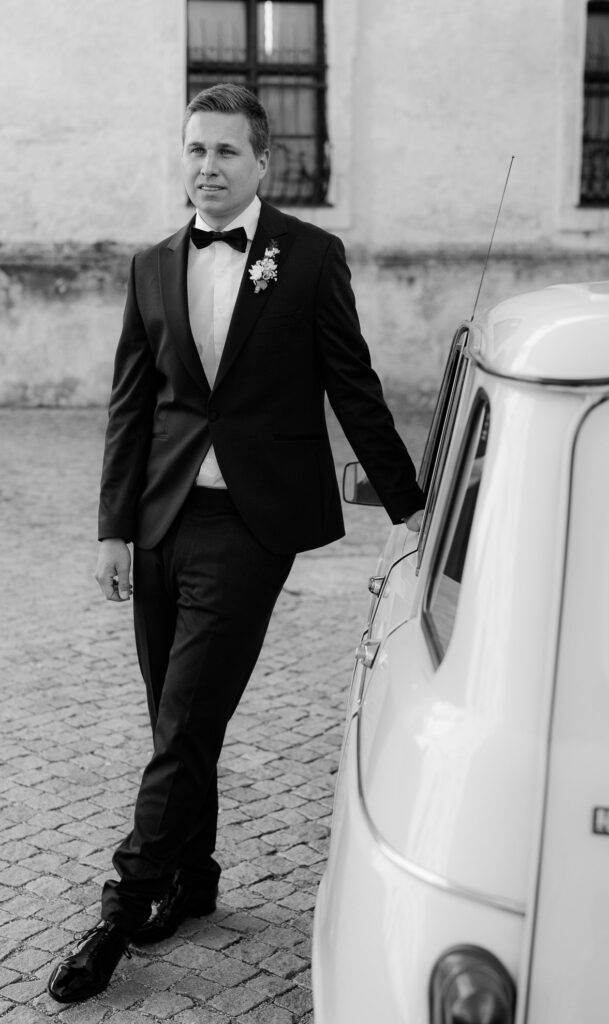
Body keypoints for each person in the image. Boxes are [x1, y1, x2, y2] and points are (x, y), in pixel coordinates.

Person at [47, 83, 424, 1004]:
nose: (206, 168)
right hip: (162, 519)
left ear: (262, 163)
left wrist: (410, 507)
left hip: (251, 525)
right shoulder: (151, 266)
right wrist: (111, 531)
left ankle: (122, 910)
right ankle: (193, 876)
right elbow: (132, 408)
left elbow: (352, 384)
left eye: (224, 152)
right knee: (178, 718)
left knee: (182, 719)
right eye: (194, 150)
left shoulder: (308, 257)